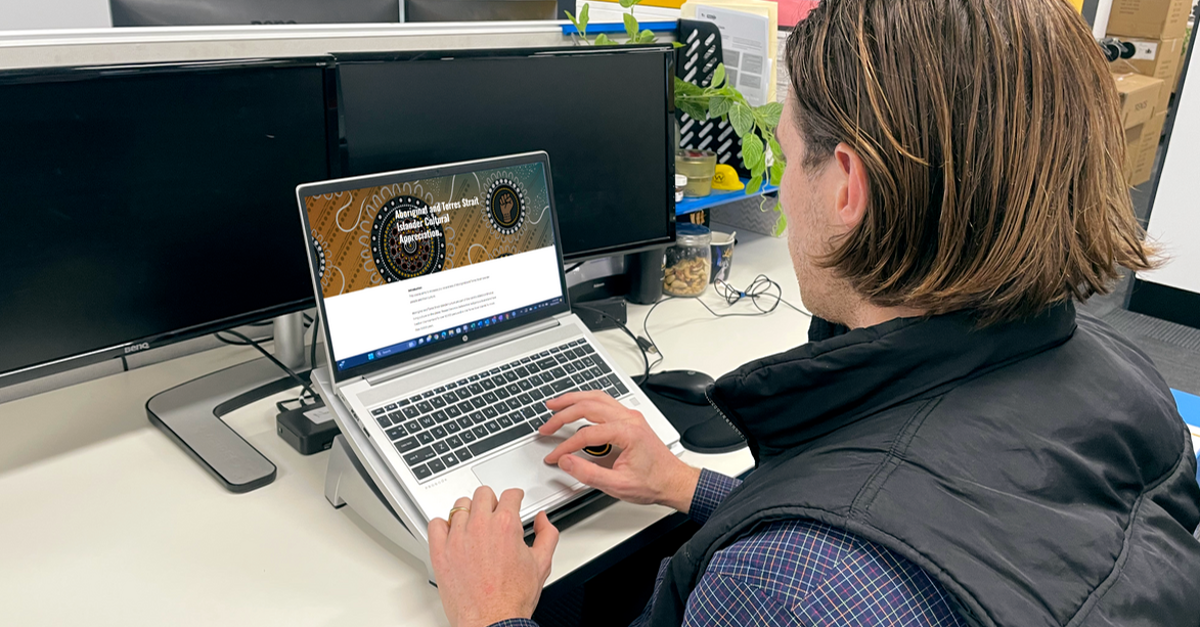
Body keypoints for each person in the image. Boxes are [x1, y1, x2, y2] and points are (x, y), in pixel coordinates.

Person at [426, 0, 1200, 625]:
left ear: (846, 187)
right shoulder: (1123, 379)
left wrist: (495, 614)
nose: (787, 194)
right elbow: (960, 537)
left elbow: (838, 562)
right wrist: (684, 481)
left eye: (790, 153)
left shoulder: (781, 590)